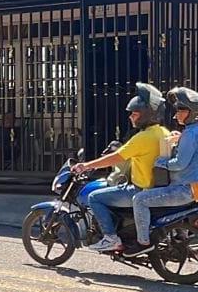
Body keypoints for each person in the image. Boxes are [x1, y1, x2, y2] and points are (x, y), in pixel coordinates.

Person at [71, 82, 169, 254]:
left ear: (146, 115)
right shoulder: (163, 132)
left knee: (95, 197)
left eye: (134, 113)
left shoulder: (142, 138)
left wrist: (86, 165)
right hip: (157, 188)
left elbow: (115, 158)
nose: (131, 117)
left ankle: (110, 238)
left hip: (140, 190)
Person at [127, 86, 198, 254]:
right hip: (191, 188)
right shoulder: (191, 132)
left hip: (182, 189)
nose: (176, 114)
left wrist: (161, 162)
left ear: (192, 112)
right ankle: (176, 235)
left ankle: (143, 243)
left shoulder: (190, 133)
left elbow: (179, 164)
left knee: (139, 199)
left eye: (181, 110)